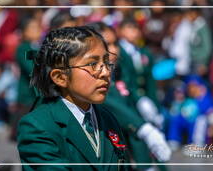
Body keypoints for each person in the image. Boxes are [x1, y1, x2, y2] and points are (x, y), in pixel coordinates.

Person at [17, 26, 129, 170]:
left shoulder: (108, 118)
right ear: (60, 77)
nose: (106, 72)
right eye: (93, 64)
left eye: (106, 62)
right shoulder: (38, 126)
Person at [90, 22, 171, 170]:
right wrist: (143, 128)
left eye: (115, 43)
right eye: (107, 45)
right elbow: (109, 101)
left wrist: (143, 102)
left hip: (129, 137)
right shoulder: (91, 76)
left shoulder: (118, 68)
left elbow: (130, 90)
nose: (114, 50)